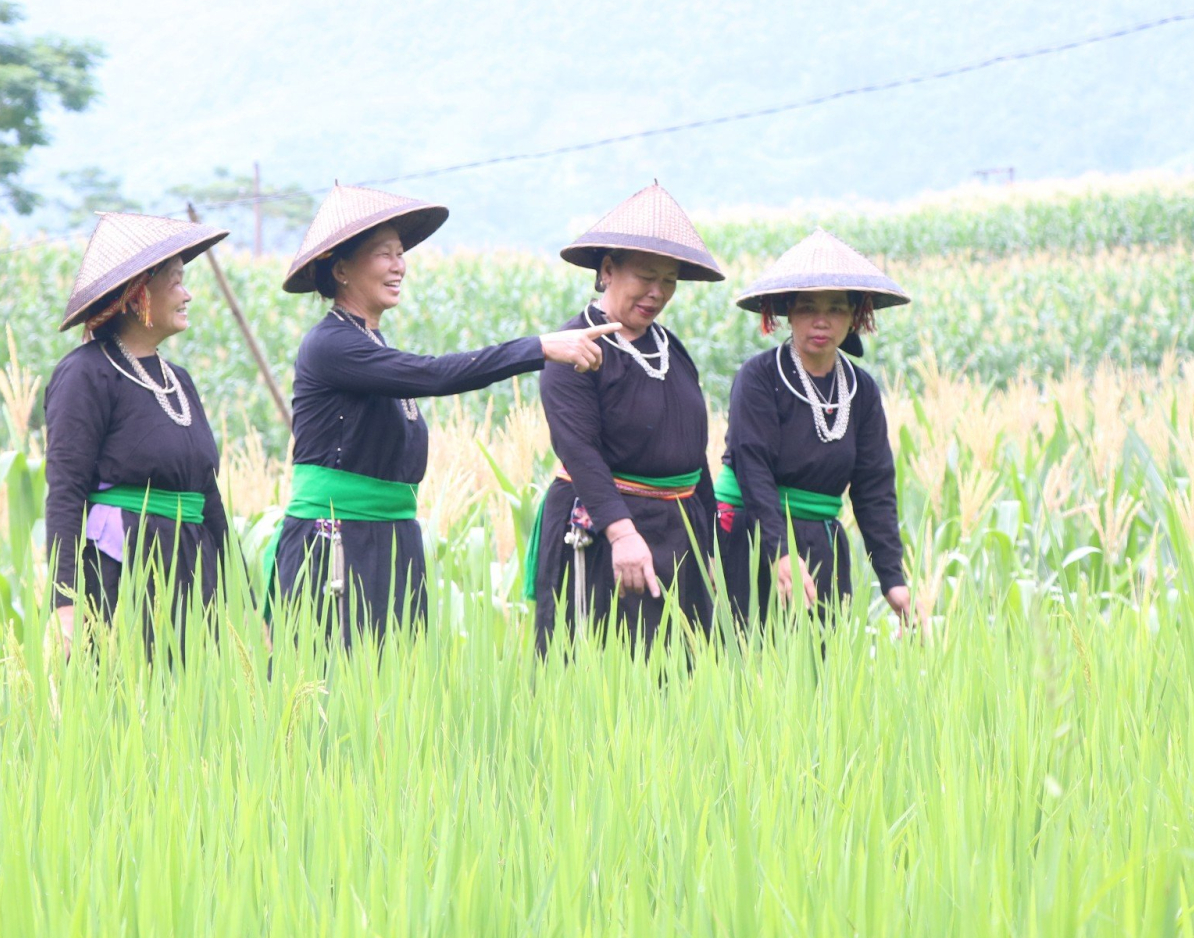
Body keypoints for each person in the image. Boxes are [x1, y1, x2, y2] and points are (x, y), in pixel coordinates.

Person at [274, 182, 616, 645]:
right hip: (336, 541)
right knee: (334, 685)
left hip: (388, 537)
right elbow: (435, 375)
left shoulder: (369, 342)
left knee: (391, 689)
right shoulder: (332, 344)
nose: (399, 265)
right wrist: (540, 348)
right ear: (341, 269)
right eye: (383, 253)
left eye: (400, 253)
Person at [529, 182, 725, 652]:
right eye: (646, 276)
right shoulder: (576, 345)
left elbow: (694, 455)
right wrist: (621, 533)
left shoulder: (671, 350)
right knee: (600, 679)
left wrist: (712, 547)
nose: (658, 292)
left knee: (679, 680)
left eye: (670, 280)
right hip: (601, 534)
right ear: (609, 270)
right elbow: (578, 450)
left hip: (678, 533)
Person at [44, 212, 231, 656]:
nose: (187, 294)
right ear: (138, 294)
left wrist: (236, 591)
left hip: (189, 572)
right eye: (175, 280)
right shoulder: (86, 374)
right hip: (122, 576)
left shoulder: (178, 379)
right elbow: (66, 490)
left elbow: (207, 494)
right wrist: (65, 601)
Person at [716, 229, 916, 633]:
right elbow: (752, 470)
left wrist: (893, 579)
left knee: (819, 671)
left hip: (822, 542)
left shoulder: (860, 391)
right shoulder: (759, 378)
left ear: (855, 316)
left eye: (836, 308)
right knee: (747, 663)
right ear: (788, 312)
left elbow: (874, 486)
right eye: (808, 307)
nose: (821, 321)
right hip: (751, 536)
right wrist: (779, 552)